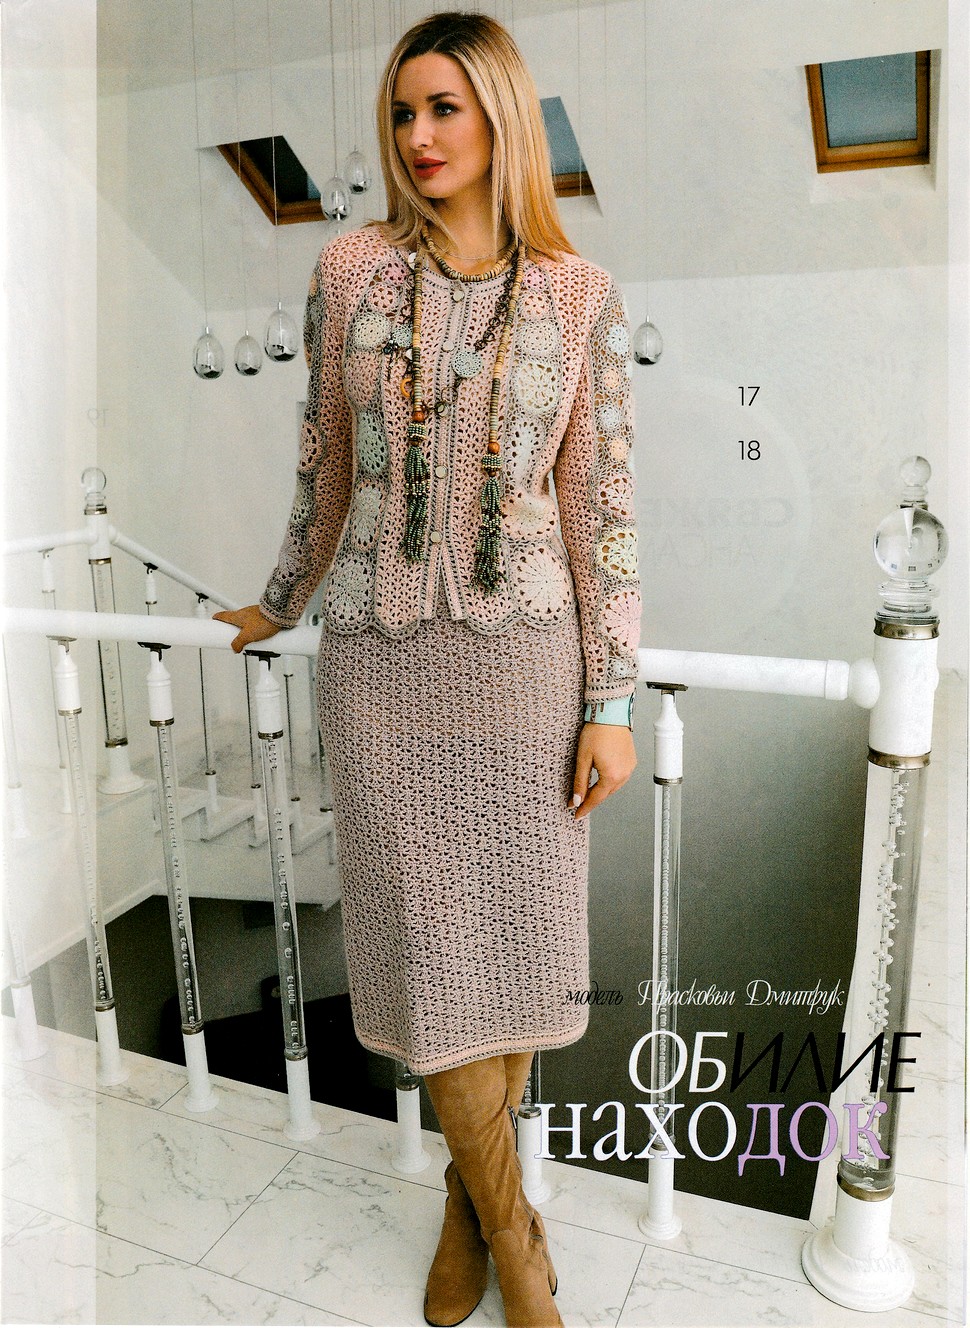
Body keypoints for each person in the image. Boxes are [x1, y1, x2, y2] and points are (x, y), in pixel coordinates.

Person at [215, 12, 640, 1326]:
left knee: (508, 952)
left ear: (500, 118)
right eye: (402, 112)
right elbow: (324, 466)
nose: (417, 136)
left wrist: (610, 699)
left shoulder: (581, 295)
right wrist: (280, 598)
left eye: (444, 108)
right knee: (431, 956)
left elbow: (603, 513)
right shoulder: (347, 270)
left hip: (527, 674)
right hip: (380, 675)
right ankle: (518, 1239)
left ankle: (468, 1205)